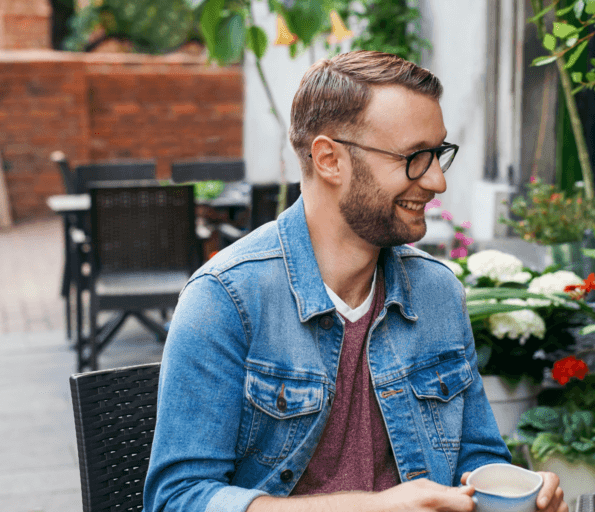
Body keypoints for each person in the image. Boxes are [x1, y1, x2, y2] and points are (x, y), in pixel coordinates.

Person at [144, 50, 567, 512]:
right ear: (329, 159)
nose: (437, 181)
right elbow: (178, 500)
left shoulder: (438, 291)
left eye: (439, 154)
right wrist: (375, 506)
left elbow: (476, 457)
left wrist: (517, 493)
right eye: (415, 157)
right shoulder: (226, 299)